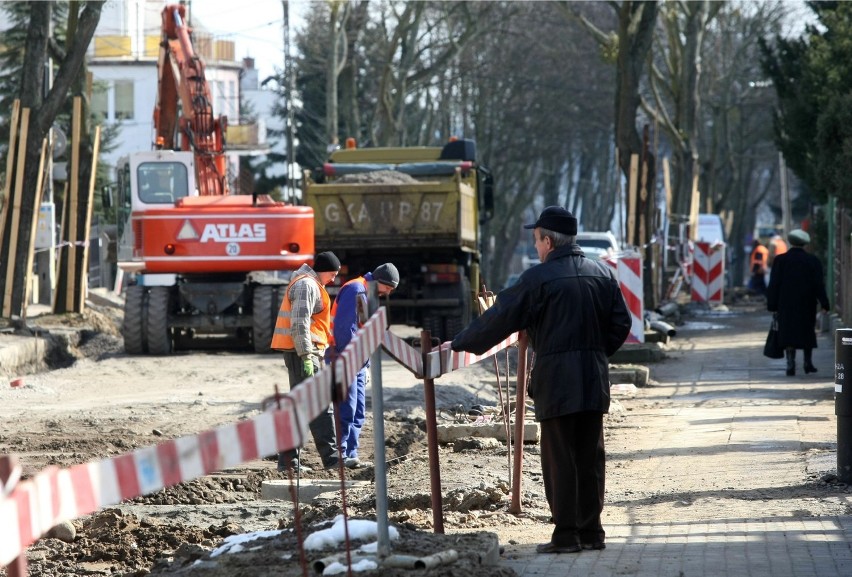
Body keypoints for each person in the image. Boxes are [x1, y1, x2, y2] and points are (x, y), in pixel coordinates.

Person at [450, 206, 631, 554]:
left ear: (548, 241)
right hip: (593, 377)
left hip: (557, 380)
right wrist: (594, 351)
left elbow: (499, 318)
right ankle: (592, 532)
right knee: (590, 456)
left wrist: (459, 343)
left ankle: (566, 536)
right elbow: (621, 325)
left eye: (536, 241)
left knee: (559, 457)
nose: (535, 248)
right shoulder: (602, 275)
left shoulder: (538, 280)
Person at [271, 251, 342, 472]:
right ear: (324, 271)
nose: (333, 279)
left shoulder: (309, 284)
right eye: (333, 274)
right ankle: (327, 459)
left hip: (306, 353)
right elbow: (299, 324)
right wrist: (306, 356)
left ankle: (291, 462)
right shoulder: (307, 286)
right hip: (302, 354)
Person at [329, 263, 400, 469]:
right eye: (389, 288)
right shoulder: (355, 289)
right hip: (345, 357)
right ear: (381, 282)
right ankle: (339, 455)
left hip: (358, 360)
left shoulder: (367, 292)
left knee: (358, 409)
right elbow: (345, 329)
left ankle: (351, 454)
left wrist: (364, 363)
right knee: (346, 408)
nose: (389, 293)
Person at [766, 229, 830, 376]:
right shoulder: (813, 261)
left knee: (788, 332)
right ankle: (808, 363)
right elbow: (818, 284)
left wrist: (772, 304)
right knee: (807, 331)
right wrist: (824, 303)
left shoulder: (780, 260)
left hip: (785, 304)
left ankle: (790, 363)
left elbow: (774, 284)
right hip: (806, 303)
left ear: (790, 242)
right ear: (805, 243)